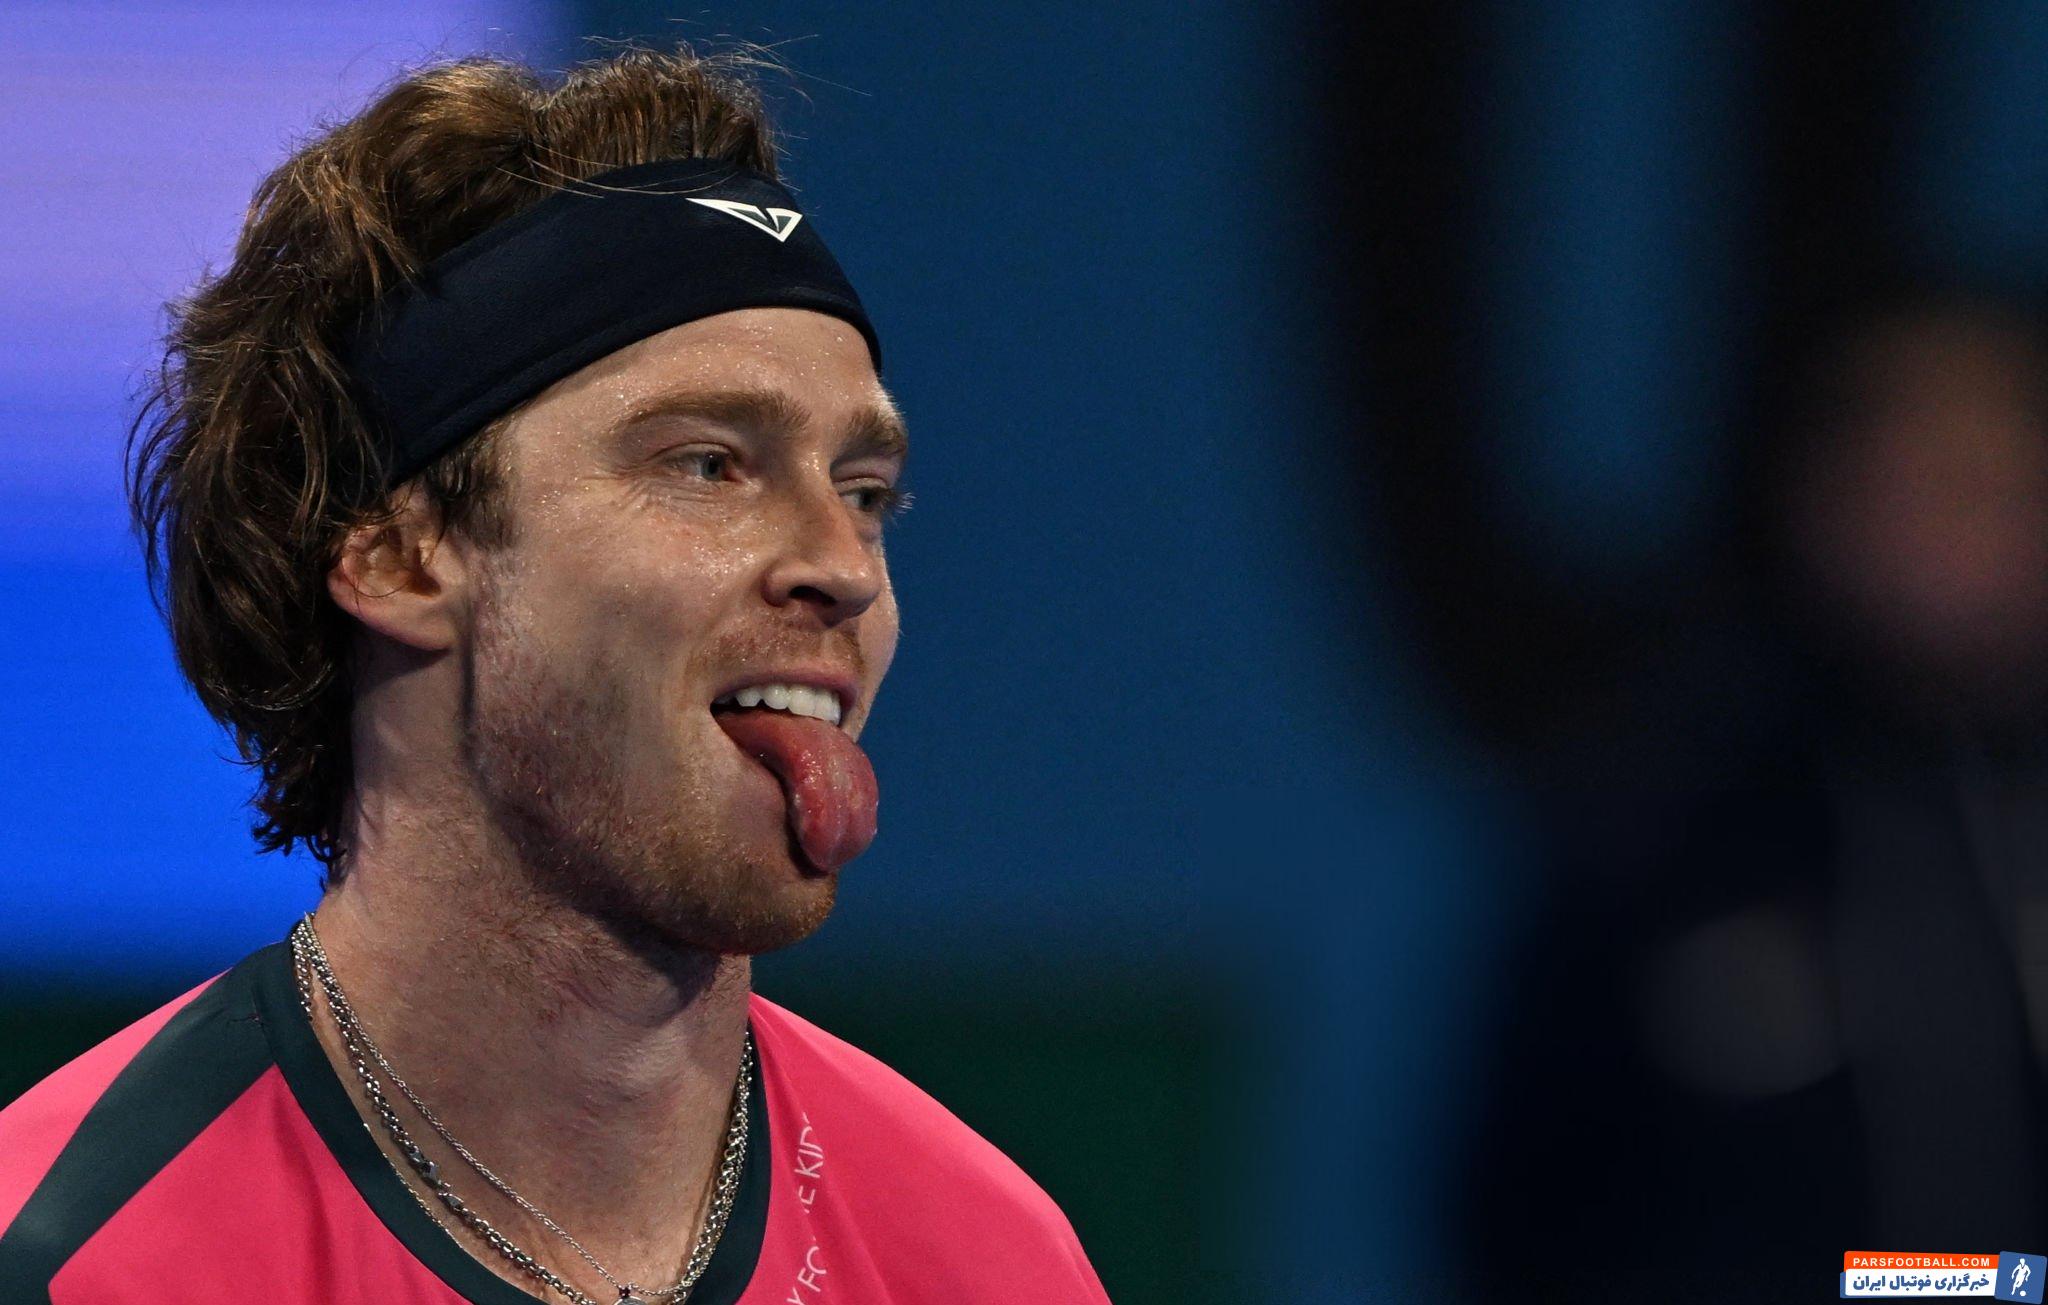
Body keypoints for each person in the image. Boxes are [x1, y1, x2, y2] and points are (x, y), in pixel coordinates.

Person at [0, 46, 1111, 1304]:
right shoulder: (79, 1264)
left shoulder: (991, 1260)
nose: (842, 568)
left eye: (865, 494)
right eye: (708, 464)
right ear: (401, 555)